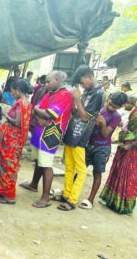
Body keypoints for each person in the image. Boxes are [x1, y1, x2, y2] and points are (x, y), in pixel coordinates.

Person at [19, 71, 73, 208]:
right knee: (39, 160)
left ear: (57, 79)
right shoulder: (49, 94)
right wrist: (39, 114)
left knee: (46, 164)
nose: (46, 84)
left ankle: (45, 197)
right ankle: (33, 184)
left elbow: (50, 113)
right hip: (40, 131)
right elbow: (34, 108)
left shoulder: (64, 95)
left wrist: (40, 111)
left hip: (50, 134)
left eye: (48, 82)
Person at [58, 65, 105, 211]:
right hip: (72, 132)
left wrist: (77, 99)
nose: (82, 85)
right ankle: (66, 193)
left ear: (90, 77)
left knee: (80, 168)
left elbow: (85, 116)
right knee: (69, 166)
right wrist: (74, 99)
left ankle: (72, 200)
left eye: (83, 82)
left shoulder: (98, 94)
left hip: (82, 135)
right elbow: (76, 111)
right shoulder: (88, 92)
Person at [79, 92, 128, 209]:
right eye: (110, 104)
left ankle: (90, 199)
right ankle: (70, 191)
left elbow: (105, 134)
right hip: (89, 144)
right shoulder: (101, 109)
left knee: (97, 173)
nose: (110, 108)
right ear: (108, 99)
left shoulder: (116, 117)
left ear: (119, 107)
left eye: (114, 107)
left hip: (102, 147)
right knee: (79, 169)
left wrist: (103, 123)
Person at [0, 79, 32, 204]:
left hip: (12, 140)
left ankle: (9, 196)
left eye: (12, 91)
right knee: (7, 165)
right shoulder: (27, 103)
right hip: (15, 139)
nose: (11, 93)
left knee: (8, 166)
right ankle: (3, 190)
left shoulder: (20, 103)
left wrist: (6, 115)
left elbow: (16, 122)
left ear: (17, 90)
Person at [99, 108, 137, 214]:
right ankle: (112, 201)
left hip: (132, 147)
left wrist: (131, 145)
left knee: (127, 175)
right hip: (126, 143)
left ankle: (122, 206)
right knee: (118, 171)